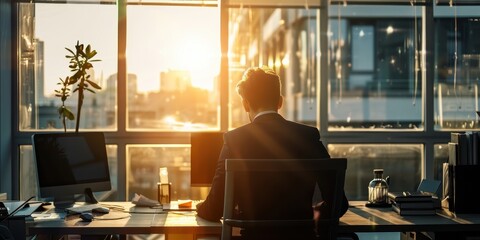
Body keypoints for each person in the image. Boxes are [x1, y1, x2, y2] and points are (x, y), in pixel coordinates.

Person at [196, 66, 348, 234]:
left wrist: (200, 207)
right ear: (280, 101)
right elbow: (338, 204)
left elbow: (214, 209)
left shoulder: (234, 140)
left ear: (246, 104)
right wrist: (314, 213)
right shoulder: (308, 136)